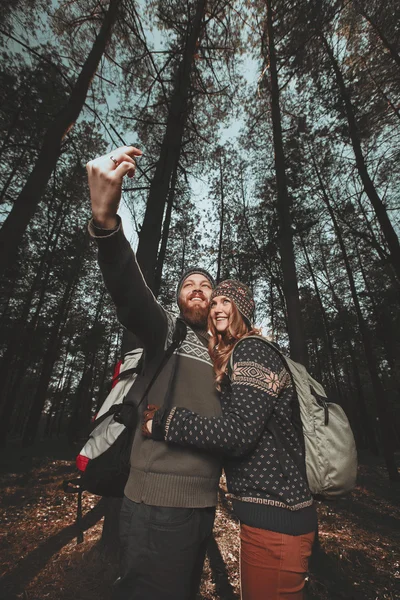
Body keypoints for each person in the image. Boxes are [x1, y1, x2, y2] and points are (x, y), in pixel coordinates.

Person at [86, 145, 223, 600]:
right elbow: (130, 294)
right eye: (189, 284)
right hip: (155, 505)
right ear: (180, 299)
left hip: (203, 506)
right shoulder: (168, 332)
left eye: (207, 285)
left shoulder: (227, 351)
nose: (198, 289)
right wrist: (106, 224)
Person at [143, 279, 317, 600]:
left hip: (279, 518)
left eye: (227, 302)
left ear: (243, 310)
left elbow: (238, 434)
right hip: (270, 517)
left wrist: (166, 421)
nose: (218, 309)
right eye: (215, 303)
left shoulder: (251, 350)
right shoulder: (237, 354)